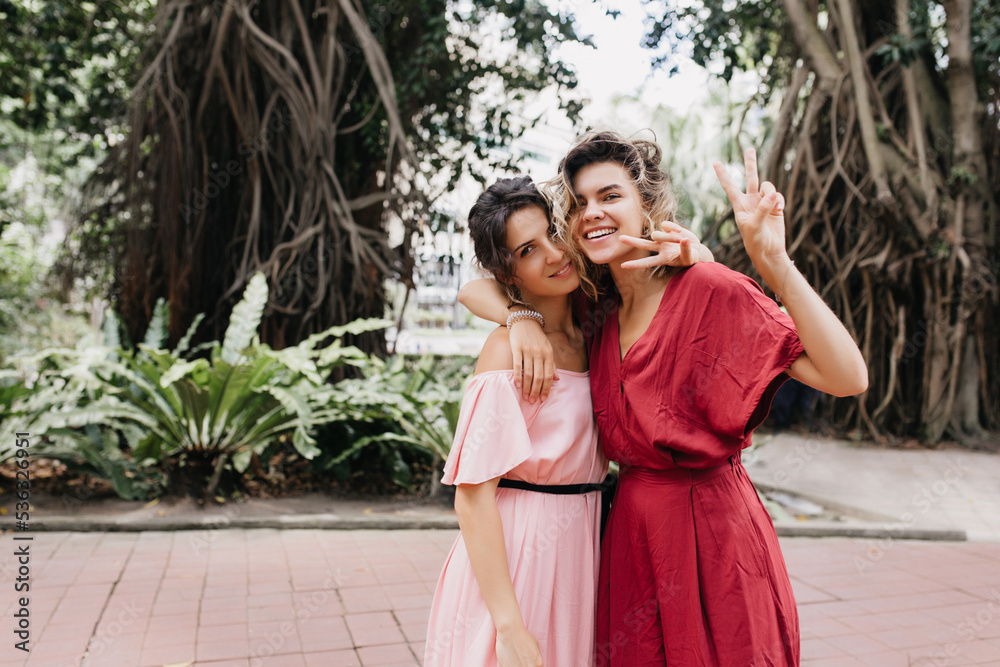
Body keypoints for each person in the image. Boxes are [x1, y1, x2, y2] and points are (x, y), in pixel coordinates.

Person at [459, 131, 869, 666]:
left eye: (610, 196)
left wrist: (774, 263)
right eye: (579, 203)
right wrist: (521, 318)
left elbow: (848, 377)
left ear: (646, 204)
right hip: (631, 539)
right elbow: (476, 287)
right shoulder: (592, 309)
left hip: (714, 535)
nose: (593, 213)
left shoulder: (708, 288)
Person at [424, 175, 711, 667]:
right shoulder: (506, 353)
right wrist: (509, 626)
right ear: (509, 275)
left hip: (584, 545)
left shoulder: (597, 321)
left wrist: (696, 257)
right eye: (528, 251)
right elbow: (471, 498)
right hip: (518, 554)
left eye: (554, 233)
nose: (554, 255)